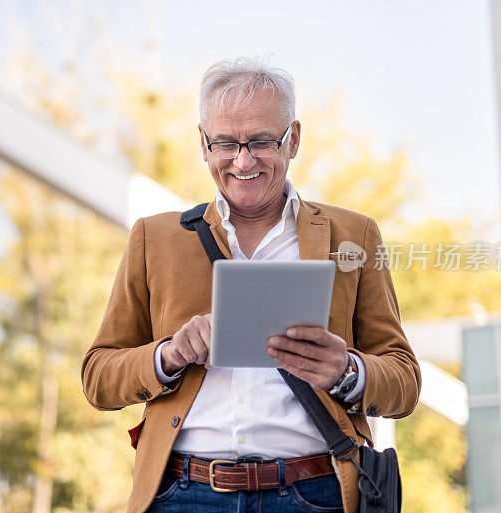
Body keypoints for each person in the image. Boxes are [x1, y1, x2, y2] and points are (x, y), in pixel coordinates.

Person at [81, 57, 420, 513]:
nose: (243, 160)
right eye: (224, 143)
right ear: (202, 143)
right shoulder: (154, 238)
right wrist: (169, 355)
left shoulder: (353, 235)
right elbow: (98, 376)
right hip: (183, 494)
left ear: (293, 139)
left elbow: (404, 380)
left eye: (261, 141)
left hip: (315, 493)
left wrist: (347, 370)